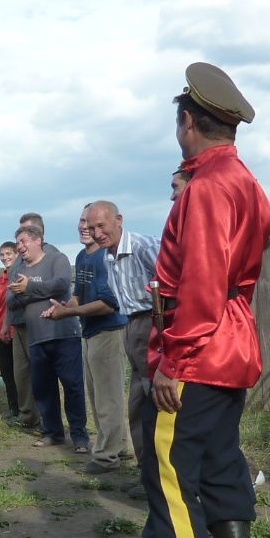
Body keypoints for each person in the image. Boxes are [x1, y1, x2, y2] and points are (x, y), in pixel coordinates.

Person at [118, 62, 270, 538]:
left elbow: (202, 287)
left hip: (199, 351)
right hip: (232, 344)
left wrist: (172, 364)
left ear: (188, 122)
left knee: (172, 472)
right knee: (222, 464)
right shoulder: (246, 182)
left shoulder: (206, 188)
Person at [42, 206, 132, 473]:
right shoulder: (82, 257)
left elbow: (109, 303)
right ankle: (119, 447)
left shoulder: (106, 257)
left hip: (110, 331)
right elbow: (80, 296)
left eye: (91, 224)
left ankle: (106, 457)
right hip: (90, 332)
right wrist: (61, 308)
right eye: (82, 222)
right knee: (98, 396)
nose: (85, 227)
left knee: (108, 398)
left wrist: (69, 312)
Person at [88, 201, 160, 472]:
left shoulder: (144, 247)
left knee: (157, 406)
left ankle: (163, 479)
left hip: (153, 324)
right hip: (131, 327)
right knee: (139, 408)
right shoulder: (109, 256)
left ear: (118, 220)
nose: (97, 233)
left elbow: (175, 286)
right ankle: (148, 476)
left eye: (101, 225)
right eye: (92, 227)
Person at [8, 223, 88, 452]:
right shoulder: (18, 269)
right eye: (18, 243)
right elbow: (11, 302)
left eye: (23, 242)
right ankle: (52, 433)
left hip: (64, 334)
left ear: (38, 240)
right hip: (36, 337)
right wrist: (30, 292)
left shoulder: (56, 259)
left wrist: (29, 287)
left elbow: (61, 285)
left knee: (72, 386)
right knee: (44, 389)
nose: (20, 247)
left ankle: (80, 437)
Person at [6, 213, 58, 431]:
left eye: (26, 234)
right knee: (22, 373)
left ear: (39, 233)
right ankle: (28, 416)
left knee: (42, 372)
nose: (20, 240)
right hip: (18, 321)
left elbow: (51, 287)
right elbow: (11, 295)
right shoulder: (18, 260)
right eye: (19, 236)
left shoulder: (52, 254)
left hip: (39, 322)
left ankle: (50, 420)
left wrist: (25, 292)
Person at [0, 242, 20, 420]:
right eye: (2, 254)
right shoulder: (0, 282)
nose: (5, 257)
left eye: (8, 253)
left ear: (16, 254)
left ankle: (27, 410)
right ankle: (13, 409)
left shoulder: (22, 277)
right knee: (7, 373)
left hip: (19, 332)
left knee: (21, 373)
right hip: (1, 332)